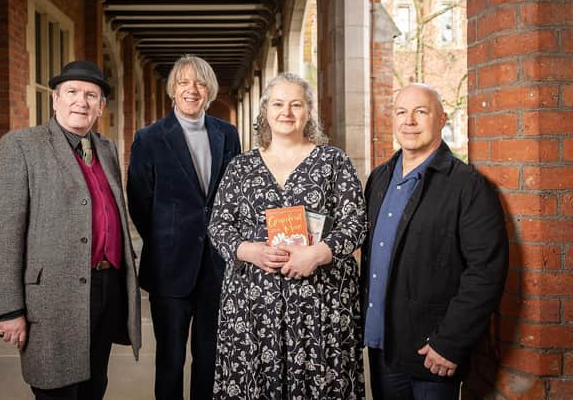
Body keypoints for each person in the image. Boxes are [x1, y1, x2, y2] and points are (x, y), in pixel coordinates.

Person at [0, 60, 141, 400]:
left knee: (94, 386)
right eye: (72, 92)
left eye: (91, 95)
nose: (80, 102)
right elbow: (1, 231)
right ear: (55, 100)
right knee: (57, 390)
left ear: (100, 106)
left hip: (105, 288)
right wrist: (9, 309)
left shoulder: (106, 148)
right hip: (51, 298)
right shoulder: (22, 146)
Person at [208, 72, 368, 399]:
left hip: (320, 306)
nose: (287, 112)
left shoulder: (333, 162)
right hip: (252, 308)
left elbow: (356, 222)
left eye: (296, 104)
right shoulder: (241, 167)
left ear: (309, 111)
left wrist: (318, 253)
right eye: (278, 104)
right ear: (265, 111)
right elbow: (219, 224)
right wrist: (248, 250)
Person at [362, 83, 509, 399]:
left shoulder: (466, 186)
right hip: (383, 347)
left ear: (442, 119)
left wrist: (450, 342)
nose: (409, 121)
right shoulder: (379, 179)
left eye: (421, 112)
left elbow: (486, 271)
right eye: (401, 112)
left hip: (433, 353)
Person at [127, 54, 240, 399]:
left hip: (217, 267)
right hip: (169, 268)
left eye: (200, 83)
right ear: (172, 91)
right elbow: (139, 202)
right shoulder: (149, 138)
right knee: (170, 359)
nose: (192, 89)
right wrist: (168, 240)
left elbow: (234, 195)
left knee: (210, 358)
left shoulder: (228, 134)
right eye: (184, 83)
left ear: (210, 91)